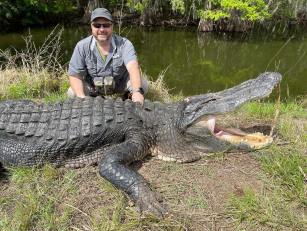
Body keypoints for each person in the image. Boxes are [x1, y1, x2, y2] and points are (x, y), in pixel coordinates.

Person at [67, 7, 147, 104]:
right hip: (94, 88)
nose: (101, 29)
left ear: (112, 26)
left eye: (106, 25)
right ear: (91, 26)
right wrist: (82, 98)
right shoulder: (81, 46)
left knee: (143, 85)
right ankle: (90, 101)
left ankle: (127, 99)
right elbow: (75, 75)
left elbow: (133, 68)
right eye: (97, 25)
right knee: (72, 92)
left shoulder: (125, 44)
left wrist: (137, 92)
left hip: (119, 85)